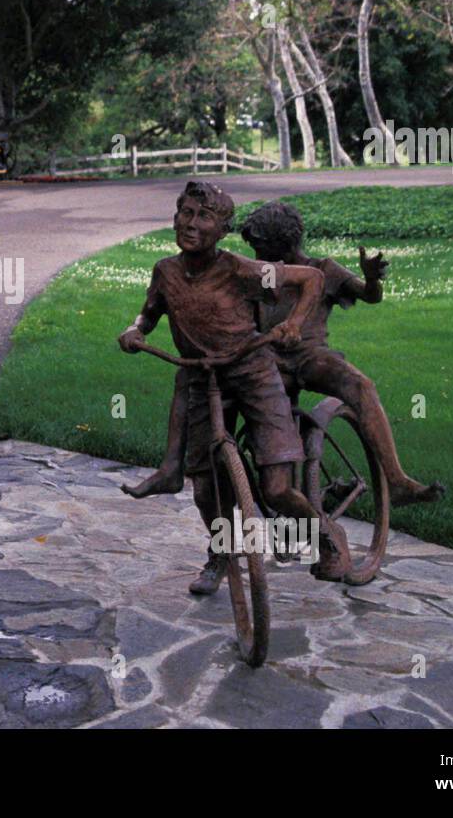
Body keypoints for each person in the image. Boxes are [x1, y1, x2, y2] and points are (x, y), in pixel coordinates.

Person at [118, 181, 352, 589]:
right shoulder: (166, 272)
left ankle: (326, 537)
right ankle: (221, 554)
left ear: (222, 229)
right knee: (206, 488)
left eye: (204, 217)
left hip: (253, 374)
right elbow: (149, 314)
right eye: (185, 213)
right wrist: (135, 331)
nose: (191, 225)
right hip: (203, 377)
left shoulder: (239, 270)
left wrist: (293, 323)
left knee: (278, 489)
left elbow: (312, 279)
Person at [240, 201, 445, 507]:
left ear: (283, 244)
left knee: (360, 385)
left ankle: (396, 480)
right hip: (270, 362)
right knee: (248, 400)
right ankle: (255, 479)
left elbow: (369, 296)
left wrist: (372, 278)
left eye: (262, 248)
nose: (257, 256)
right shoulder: (262, 273)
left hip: (311, 358)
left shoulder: (323, 269)